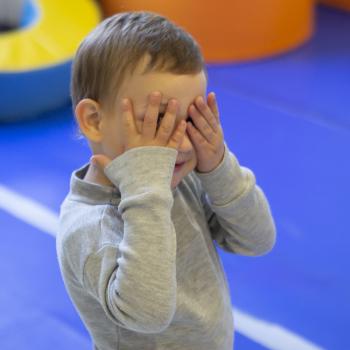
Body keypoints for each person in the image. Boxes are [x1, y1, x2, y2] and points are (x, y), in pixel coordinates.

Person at [56, 11, 276, 350]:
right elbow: (148, 314)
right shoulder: (90, 226)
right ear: (94, 120)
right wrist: (147, 189)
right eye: (159, 122)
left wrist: (218, 166)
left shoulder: (180, 180)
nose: (184, 143)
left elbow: (257, 239)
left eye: (192, 119)